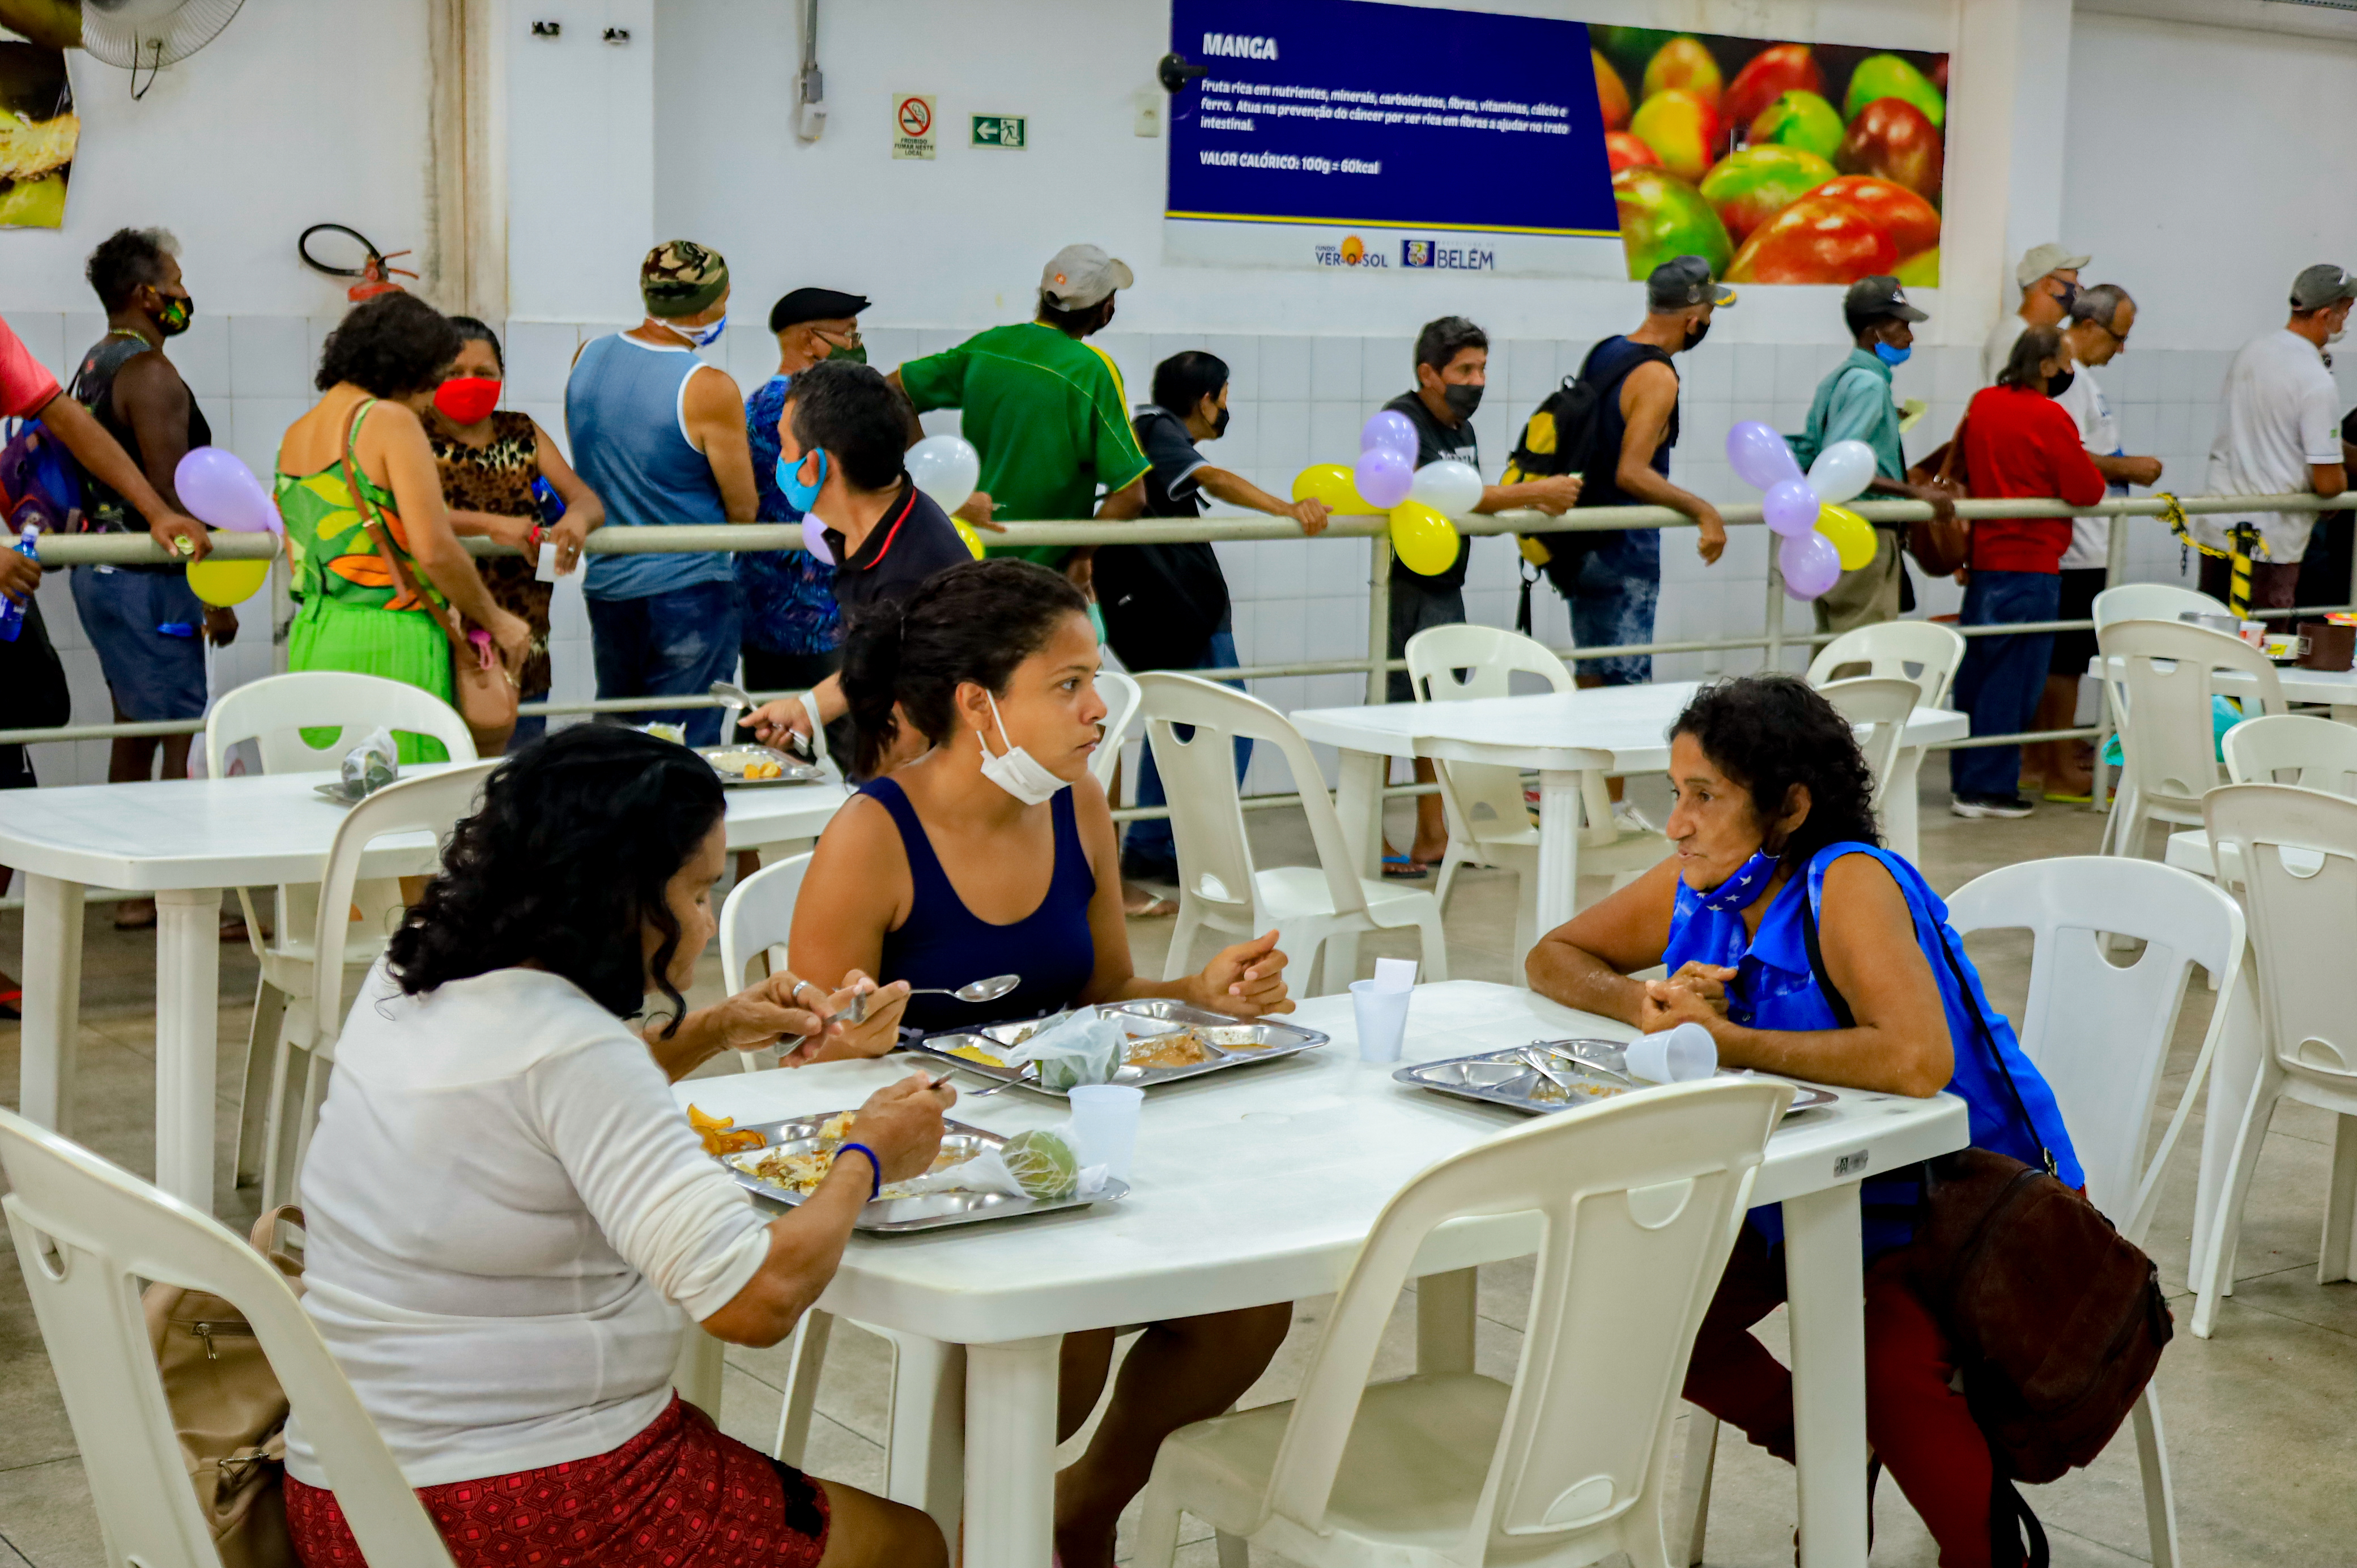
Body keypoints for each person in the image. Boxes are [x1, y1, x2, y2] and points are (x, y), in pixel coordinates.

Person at [278, 723, 948, 1568]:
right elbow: (757, 1301)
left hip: (347, 1492)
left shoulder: (412, 976)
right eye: (700, 893)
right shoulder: (570, 1045)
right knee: (911, 1547)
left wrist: (714, 1026)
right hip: (516, 1507)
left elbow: (547, 1097)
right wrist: (871, 1152)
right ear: (622, 894)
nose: (706, 924)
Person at [786, 557, 1293, 1568]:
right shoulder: (873, 835)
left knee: (1250, 1303)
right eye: (1068, 684)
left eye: (1094, 678)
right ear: (979, 703)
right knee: (1069, 1327)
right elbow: (805, 1064)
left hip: (1068, 1149)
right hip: (937, 1172)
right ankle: (1007, 1520)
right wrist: (852, 1039)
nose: (1099, 708)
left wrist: (1196, 992)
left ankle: (1082, 1502)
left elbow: (1104, 993)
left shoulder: (1076, 804)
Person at [1524, 673, 2083, 1568]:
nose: (1677, 824)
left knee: (1884, 1365)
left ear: (1788, 805)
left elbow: (1914, 1062)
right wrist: (1647, 1005)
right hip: (1807, 1193)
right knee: (1637, 1311)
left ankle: (1986, 1551)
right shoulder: (1697, 885)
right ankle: (1832, 1446)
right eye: (1676, 795)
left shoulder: (1846, 880)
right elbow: (1554, 955)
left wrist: (1733, 1040)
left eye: (1704, 797)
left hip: (1960, 1201)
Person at [0, 305, 206, 1007]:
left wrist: (157, 511)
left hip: (26, 593)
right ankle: (167, 887)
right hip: (117, 588)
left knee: (19, 764)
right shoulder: (141, 369)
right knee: (159, 726)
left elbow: (66, 419)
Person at [1107, 348, 1329, 903]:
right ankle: (1196, 850)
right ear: (1204, 400)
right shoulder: (1157, 429)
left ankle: (1153, 845)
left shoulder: (1144, 432)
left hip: (1163, 609)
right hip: (1181, 611)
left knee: (1178, 726)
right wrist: (1287, 508)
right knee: (1227, 726)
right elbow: (1210, 476)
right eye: (1224, 395)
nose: (1227, 407)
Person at [275, 293, 530, 762]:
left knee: (329, 799)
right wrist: (498, 621)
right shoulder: (387, 420)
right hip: (390, 638)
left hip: (317, 634)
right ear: (413, 368)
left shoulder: (297, 432)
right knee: (400, 809)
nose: (432, 400)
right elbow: (432, 548)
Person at [1521, 258, 1729, 833]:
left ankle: (1580, 799)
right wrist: (1702, 511)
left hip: (1581, 539)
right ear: (1692, 317)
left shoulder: (1607, 350)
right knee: (1623, 680)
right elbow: (1633, 471)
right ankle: (1604, 808)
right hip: (1622, 544)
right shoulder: (1658, 376)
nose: (1708, 320)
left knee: (1593, 673)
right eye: (1708, 310)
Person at [1377, 316, 1590, 873]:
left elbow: (1466, 494)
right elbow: (1443, 495)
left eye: (1482, 369)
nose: (1477, 380)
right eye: (1464, 369)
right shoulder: (1403, 421)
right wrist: (1533, 491)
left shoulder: (1458, 428)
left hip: (1447, 580)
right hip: (1408, 584)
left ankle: (1432, 833)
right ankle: (1369, 831)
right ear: (1428, 372)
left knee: (1432, 711)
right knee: (1391, 710)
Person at [735, 360, 974, 774]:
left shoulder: (909, 573)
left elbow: (908, 742)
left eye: (784, 448)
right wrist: (807, 709)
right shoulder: (879, 522)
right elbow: (879, 661)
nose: (781, 462)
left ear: (813, 467)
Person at [66, 229, 233, 819]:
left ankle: (138, 893)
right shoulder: (150, 371)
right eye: (177, 283)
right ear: (146, 294)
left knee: (136, 728)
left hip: (105, 571)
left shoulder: (94, 362)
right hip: (147, 578)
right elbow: (172, 493)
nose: (184, 294)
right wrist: (217, 592)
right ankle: (166, 897)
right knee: (178, 732)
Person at [565, 240, 756, 745]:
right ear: (715, 300)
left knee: (620, 740)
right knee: (681, 748)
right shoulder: (707, 387)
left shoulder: (588, 356)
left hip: (609, 584)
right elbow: (744, 508)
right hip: (689, 588)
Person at [890, 244, 1149, 582]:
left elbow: (888, 389)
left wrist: (934, 475)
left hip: (968, 557)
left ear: (1044, 295)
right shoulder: (1091, 371)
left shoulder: (989, 346)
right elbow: (1132, 495)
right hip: (1039, 573)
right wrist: (1083, 557)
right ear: (1106, 307)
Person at [1947, 327, 2108, 819]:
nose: (2067, 374)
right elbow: (2087, 489)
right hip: (2032, 564)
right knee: (2014, 683)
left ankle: (1966, 782)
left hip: (1985, 563)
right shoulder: (2049, 415)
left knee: (1977, 678)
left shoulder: (1983, 403)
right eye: (2064, 364)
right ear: (2045, 366)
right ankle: (1990, 789)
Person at [427, 317, 602, 751]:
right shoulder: (414, 434)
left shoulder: (521, 432)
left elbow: (587, 500)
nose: (470, 383)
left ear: (501, 377)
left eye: (484, 373)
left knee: (516, 780)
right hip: (443, 634)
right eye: (455, 373)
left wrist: (575, 521)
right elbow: (407, 514)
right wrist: (492, 526)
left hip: (522, 641)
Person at [2028, 284, 2162, 800]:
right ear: (2088, 327)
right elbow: (2065, 453)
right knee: (2066, 661)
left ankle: (2041, 758)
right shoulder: (2068, 378)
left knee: (2061, 658)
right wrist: (2128, 468)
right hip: (2079, 545)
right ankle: (2057, 765)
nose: (2121, 350)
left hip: (2088, 541)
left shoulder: (2077, 377)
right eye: (2118, 338)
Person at [1795, 275, 1958, 637]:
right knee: (1862, 649)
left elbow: (1815, 447)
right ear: (1873, 334)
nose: (1910, 338)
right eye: (1902, 328)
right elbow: (1839, 466)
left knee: (1835, 646)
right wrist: (1918, 493)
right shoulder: (1868, 385)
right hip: (1865, 531)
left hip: (1834, 531)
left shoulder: (1839, 379)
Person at [2198, 263, 2355, 617]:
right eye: (2345, 312)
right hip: (2271, 541)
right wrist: (2341, 477)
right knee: (2262, 649)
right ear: (2327, 314)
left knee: (2212, 645)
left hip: (2218, 526)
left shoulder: (2251, 351)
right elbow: (2328, 482)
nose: (2345, 322)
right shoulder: (2316, 380)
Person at [741, 287, 870, 696]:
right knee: (850, 734)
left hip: (763, 597)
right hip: (819, 608)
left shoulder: (757, 402)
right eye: (848, 333)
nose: (855, 345)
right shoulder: (818, 409)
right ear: (810, 340)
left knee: (771, 730)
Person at [1981, 242, 2088, 385]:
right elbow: (2002, 400)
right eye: (2075, 278)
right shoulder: (2013, 337)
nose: (2079, 287)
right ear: (2050, 285)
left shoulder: (2032, 336)